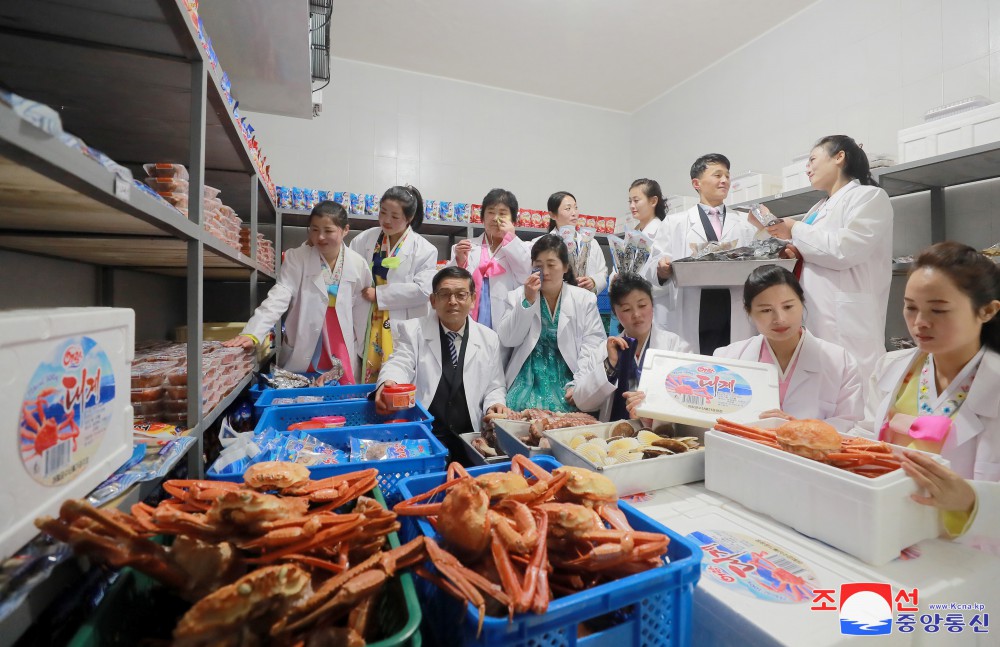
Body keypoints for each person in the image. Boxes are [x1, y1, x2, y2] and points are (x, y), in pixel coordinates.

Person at [857, 242, 1000, 555]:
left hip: (969, 553)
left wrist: (972, 499)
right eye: (911, 307)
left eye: (938, 310)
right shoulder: (892, 368)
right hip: (892, 534)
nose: (920, 322)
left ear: (987, 311)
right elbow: (866, 437)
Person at [758, 135, 893, 383]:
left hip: (847, 317)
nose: (807, 168)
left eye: (812, 160)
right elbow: (816, 248)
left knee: (855, 388)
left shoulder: (869, 197)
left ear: (839, 157)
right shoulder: (818, 207)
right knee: (819, 386)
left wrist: (795, 228)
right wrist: (794, 251)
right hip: (817, 313)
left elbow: (845, 249)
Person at [375, 267, 509, 463]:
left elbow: (495, 386)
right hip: (427, 435)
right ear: (433, 300)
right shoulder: (413, 330)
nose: (452, 301)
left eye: (461, 295)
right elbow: (400, 361)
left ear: (473, 299)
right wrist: (390, 381)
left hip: (470, 437)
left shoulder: (489, 338)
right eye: (445, 294)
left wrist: (495, 404)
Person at [225, 201, 370, 382]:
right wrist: (253, 332)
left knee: (343, 388)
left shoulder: (358, 263)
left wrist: (364, 349)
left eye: (328, 231)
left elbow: (363, 310)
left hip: (341, 338)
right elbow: (280, 294)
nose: (320, 237)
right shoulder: (297, 257)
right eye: (314, 229)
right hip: (305, 337)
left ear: (345, 230)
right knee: (301, 388)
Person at [714, 265, 863, 432]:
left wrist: (800, 428)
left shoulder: (840, 362)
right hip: (745, 447)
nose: (780, 319)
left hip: (812, 449)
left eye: (788, 307)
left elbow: (851, 424)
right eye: (766, 310)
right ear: (749, 311)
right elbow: (715, 421)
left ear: (802, 302)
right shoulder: (727, 359)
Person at [649, 153, 758, 354]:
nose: (724, 180)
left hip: (734, 306)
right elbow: (653, 264)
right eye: (717, 175)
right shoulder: (675, 223)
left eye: (727, 176)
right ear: (696, 183)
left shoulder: (745, 223)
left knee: (734, 360)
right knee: (699, 364)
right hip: (694, 306)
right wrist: (661, 270)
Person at [497, 234, 607, 412]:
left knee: (569, 416)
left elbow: (593, 345)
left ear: (565, 267)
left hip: (569, 375)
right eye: (539, 266)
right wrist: (527, 301)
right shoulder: (517, 295)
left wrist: (579, 382)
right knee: (520, 411)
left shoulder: (584, 299)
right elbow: (508, 339)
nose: (545, 272)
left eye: (551, 264)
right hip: (527, 377)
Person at [349, 185, 438, 383]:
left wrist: (379, 294)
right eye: (383, 212)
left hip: (399, 320)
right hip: (367, 316)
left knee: (398, 372)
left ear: (409, 218)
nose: (386, 220)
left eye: (395, 216)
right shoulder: (364, 239)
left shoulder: (425, 249)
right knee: (363, 372)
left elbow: (423, 291)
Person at [573, 273, 689, 421]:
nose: (636, 314)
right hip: (612, 431)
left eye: (642, 305)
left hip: (659, 430)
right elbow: (582, 402)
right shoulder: (604, 350)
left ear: (652, 305)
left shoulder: (675, 346)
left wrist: (649, 403)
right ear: (616, 314)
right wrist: (609, 365)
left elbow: (687, 398)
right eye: (626, 309)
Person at [449, 188, 531, 330]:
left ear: (513, 220)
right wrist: (459, 261)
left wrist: (511, 239)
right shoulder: (465, 247)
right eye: (491, 212)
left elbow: (526, 276)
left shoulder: (523, 248)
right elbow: (450, 283)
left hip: (506, 319)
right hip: (468, 319)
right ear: (482, 218)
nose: (495, 218)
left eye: (503, 213)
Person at [544, 191, 608, 293]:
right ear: (552, 215)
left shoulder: (591, 242)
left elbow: (602, 272)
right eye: (568, 209)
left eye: (576, 207)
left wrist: (593, 281)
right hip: (556, 299)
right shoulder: (544, 244)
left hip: (586, 299)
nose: (574, 213)